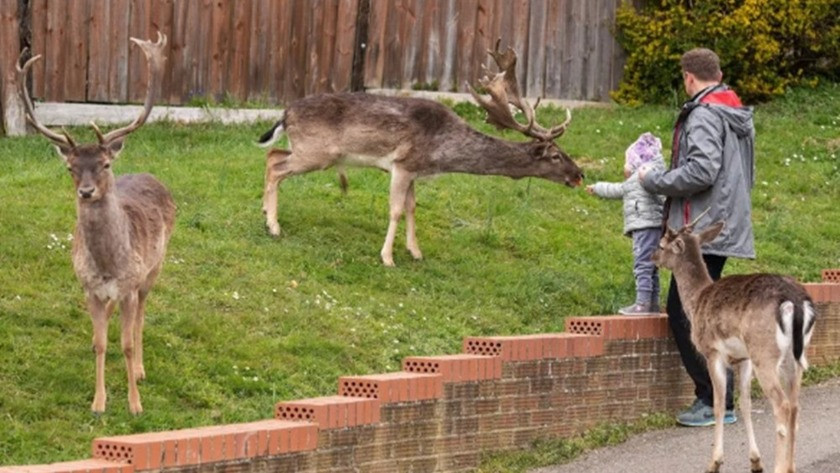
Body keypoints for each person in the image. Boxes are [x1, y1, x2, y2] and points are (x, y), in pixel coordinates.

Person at [639, 48, 756, 427]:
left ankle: (713, 401)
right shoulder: (733, 110)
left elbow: (702, 170)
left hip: (702, 228)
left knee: (684, 311)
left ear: (689, 77)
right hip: (725, 219)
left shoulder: (705, 114)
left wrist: (653, 180)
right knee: (710, 313)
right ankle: (722, 398)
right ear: (718, 73)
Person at [586, 132, 666, 315]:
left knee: (643, 264)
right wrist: (597, 188)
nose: (625, 166)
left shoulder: (644, 178)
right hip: (650, 225)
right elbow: (618, 189)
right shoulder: (640, 179)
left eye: (628, 161)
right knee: (651, 265)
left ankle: (642, 304)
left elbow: (663, 196)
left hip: (644, 226)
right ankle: (652, 304)